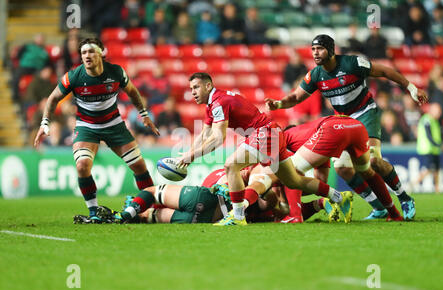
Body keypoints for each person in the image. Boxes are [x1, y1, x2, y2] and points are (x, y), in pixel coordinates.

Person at [265, 34, 428, 220]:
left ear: (331, 50)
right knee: (342, 167)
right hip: (343, 121)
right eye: (313, 49)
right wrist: (278, 104)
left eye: (320, 49)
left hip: (365, 113)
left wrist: (411, 88)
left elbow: (384, 71)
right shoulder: (316, 75)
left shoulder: (353, 63)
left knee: (373, 161)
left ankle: (404, 198)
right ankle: (378, 208)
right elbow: (295, 97)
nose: (315, 53)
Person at [172, 72, 350, 226]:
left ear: (208, 85)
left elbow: (218, 138)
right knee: (294, 181)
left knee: (230, 166)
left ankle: (238, 216)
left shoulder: (218, 102)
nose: (193, 92)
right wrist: (188, 154)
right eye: (191, 88)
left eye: (196, 87)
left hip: (263, 134)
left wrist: (191, 157)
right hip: (272, 133)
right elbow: (204, 134)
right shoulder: (212, 104)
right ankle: (340, 197)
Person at [34, 38, 160, 221]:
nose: (87, 56)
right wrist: (44, 123)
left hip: (114, 125)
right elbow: (53, 98)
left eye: (91, 51)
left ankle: (152, 207)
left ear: (101, 53)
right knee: (82, 165)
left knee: (139, 166)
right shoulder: (74, 76)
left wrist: (144, 114)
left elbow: (132, 92)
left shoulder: (116, 72)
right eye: (83, 52)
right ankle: (94, 212)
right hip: (87, 127)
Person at [280, 116, 404, 222]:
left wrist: (288, 192)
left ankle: (295, 217)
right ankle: (394, 214)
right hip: (355, 126)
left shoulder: (284, 137)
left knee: (292, 171)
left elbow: (288, 175)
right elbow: (320, 179)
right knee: (366, 171)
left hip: (331, 128)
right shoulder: (311, 140)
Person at [89, 164, 288, 224]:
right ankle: (137, 213)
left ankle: (124, 215)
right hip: (204, 218)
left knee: (150, 192)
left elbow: (222, 182)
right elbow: (266, 204)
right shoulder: (257, 183)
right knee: (150, 216)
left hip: (202, 198)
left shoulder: (228, 172)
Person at [412, 103, 443, 193]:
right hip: (427, 148)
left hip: (435, 149)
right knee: (429, 169)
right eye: (438, 111)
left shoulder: (434, 120)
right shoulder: (426, 119)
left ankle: (437, 189)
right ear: (431, 110)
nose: (439, 113)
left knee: (437, 169)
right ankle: (413, 184)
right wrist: (438, 145)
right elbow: (429, 135)